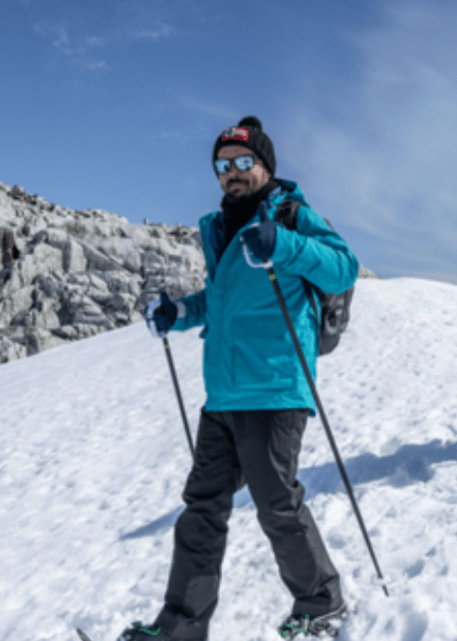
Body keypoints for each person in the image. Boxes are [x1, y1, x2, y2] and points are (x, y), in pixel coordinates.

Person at [133, 116, 358, 640]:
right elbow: (223, 299)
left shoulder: (291, 214)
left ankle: (321, 601)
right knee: (201, 510)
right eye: (222, 165)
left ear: (264, 166)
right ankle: (182, 626)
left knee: (276, 503)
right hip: (225, 392)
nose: (232, 173)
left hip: (276, 386)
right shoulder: (217, 226)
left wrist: (283, 243)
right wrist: (179, 313)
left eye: (242, 163)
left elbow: (343, 268)